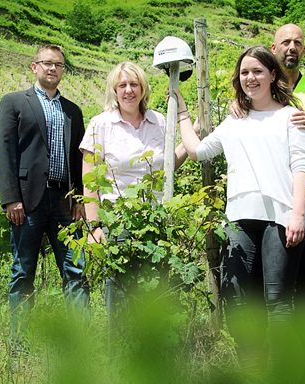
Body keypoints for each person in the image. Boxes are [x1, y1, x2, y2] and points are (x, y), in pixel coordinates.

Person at [176, 46, 305, 381]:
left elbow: (301, 167)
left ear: (273, 75)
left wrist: (298, 214)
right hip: (239, 218)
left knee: (277, 302)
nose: (250, 78)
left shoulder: (290, 117)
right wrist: (181, 112)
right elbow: (198, 151)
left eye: (258, 71)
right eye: (245, 72)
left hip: (281, 216)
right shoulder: (234, 121)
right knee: (235, 299)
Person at [230, 24, 305, 366]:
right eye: (286, 42)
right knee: (268, 281)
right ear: (274, 48)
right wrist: (240, 105)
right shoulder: (254, 88)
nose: (292, 47)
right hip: (269, 200)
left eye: (298, 42)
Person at [79, 61, 188, 358]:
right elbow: (90, 180)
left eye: (134, 84)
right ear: (114, 90)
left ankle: (150, 354)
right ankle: (119, 354)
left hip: (155, 221)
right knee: (119, 294)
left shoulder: (159, 121)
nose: (129, 90)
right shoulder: (101, 124)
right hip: (118, 222)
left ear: (143, 89)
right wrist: (94, 226)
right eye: (123, 85)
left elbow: (168, 167)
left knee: (153, 290)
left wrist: (195, 136)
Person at [0, 44, 90, 359]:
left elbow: (79, 161)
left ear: (63, 70)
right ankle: (19, 347)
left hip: (65, 201)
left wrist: (79, 198)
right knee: (23, 271)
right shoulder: (13, 103)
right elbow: (5, 153)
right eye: (47, 63)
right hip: (28, 202)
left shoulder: (73, 111)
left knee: (75, 271)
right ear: (34, 67)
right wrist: (11, 199)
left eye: (59, 65)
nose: (53, 69)